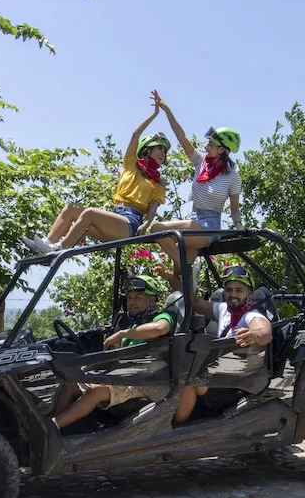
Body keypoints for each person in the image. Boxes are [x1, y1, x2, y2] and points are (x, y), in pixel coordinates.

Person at [21, 95, 170, 255]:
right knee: (71, 209)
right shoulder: (131, 165)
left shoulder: (158, 182)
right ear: (147, 149)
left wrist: (146, 224)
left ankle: (58, 250)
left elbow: (153, 209)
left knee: (90, 213)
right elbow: (135, 135)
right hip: (115, 215)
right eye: (159, 148)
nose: (163, 153)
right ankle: (47, 245)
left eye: (165, 151)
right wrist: (154, 114)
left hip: (130, 223)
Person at [52, 275, 177, 430]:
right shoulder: (133, 324)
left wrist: (122, 334)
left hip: (147, 383)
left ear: (152, 300)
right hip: (125, 377)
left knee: (95, 392)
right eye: (129, 298)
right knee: (70, 383)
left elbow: (160, 329)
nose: (132, 302)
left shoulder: (161, 317)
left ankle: (52, 430)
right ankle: (54, 428)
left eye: (138, 297)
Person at [155, 262, 272, 425]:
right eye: (229, 290)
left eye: (239, 290)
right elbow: (194, 302)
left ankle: (177, 428)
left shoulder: (251, 315)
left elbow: (265, 332)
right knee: (180, 370)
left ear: (249, 293)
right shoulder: (224, 309)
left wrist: (255, 334)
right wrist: (170, 278)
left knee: (188, 379)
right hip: (220, 375)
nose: (233, 294)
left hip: (239, 382)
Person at [148, 91, 242, 267]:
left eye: (211, 144)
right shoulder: (200, 162)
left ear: (222, 150)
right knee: (180, 277)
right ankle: (186, 274)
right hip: (192, 220)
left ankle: (186, 270)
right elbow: (181, 137)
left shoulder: (232, 176)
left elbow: (235, 210)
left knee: (157, 229)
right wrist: (167, 110)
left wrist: (240, 229)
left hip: (209, 226)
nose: (206, 146)